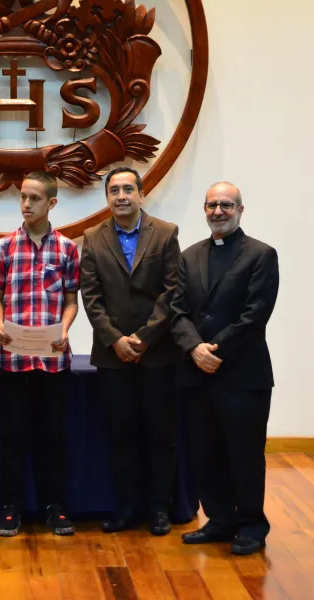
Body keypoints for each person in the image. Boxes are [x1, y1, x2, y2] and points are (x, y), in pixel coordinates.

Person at [171, 182, 279, 555]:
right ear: (204, 209)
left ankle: (251, 525)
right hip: (196, 373)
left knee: (244, 455)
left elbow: (255, 315)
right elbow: (176, 310)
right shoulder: (189, 256)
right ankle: (219, 520)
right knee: (206, 452)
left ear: (240, 210)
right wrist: (194, 348)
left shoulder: (261, 255)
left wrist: (213, 351)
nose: (218, 211)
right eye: (212, 205)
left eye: (226, 205)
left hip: (243, 375)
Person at [79, 167, 181, 536]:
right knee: (122, 435)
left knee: (160, 435)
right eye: (114, 190)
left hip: (158, 353)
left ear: (141, 194)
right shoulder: (92, 237)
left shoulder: (166, 233)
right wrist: (116, 340)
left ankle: (159, 509)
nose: (121, 196)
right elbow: (90, 296)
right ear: (107, 198)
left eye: (127, 189)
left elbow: (172, 292)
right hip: (113, 355)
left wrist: (144, 338)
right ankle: (127, 507)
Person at [0, 171, 80, 537]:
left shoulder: (67, 248)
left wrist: (66, 328)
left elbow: (71, 301)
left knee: (53, 438)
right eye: (23, 197)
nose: (26, 204)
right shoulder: (4, 246)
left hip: (53, 360)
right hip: (12, 360)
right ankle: (10, 507)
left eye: (35, 198)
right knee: (12, 437)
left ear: (52, 203)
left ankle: (55, 507)